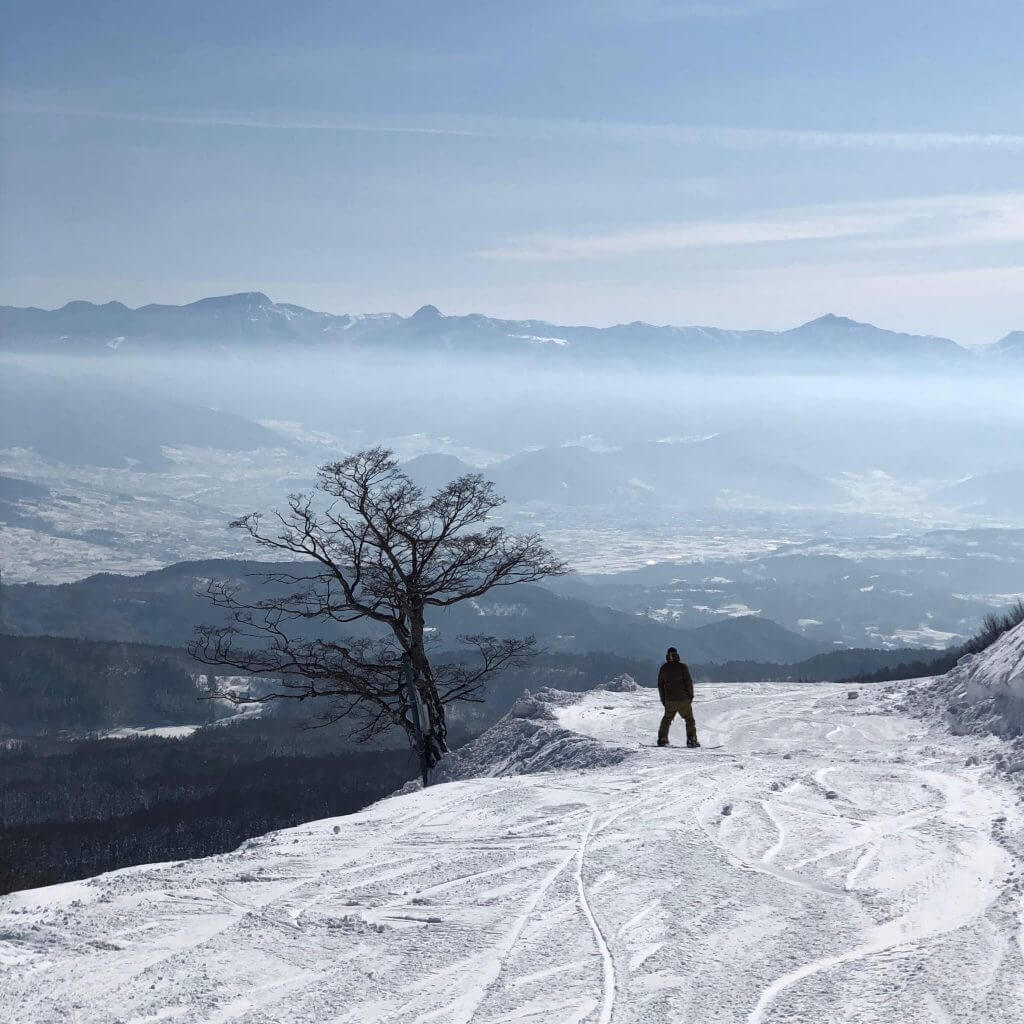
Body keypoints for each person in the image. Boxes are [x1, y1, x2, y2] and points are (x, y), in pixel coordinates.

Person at [657, 647, 699, 747]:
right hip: (683, 699)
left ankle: (662, 739)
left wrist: (664, 700)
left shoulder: (664, 668)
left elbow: (660, 685)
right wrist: (690, 697)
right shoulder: (683, 667)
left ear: (667, 655)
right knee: (689, 720)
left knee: (666, 720)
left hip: (669, 700)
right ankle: (691, 740)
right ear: (677, 654)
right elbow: (688, 683)